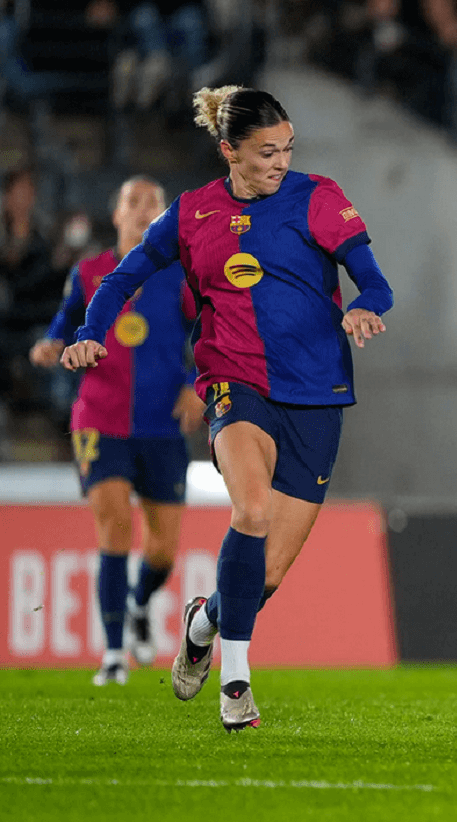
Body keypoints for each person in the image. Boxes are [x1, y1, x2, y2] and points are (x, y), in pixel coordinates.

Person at [61, 86, 394, 731]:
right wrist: (90, 332)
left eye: (288, 149)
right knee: (251, 508)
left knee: (262, 580)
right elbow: (124, 276)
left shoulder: (318, 198)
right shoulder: (191, 214)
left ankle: (206, 621)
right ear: (229, 152)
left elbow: (374, 280)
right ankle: (236, 683)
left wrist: (363, 307)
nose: (281, 162)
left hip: (317, 393)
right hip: (232, 378)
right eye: (267, 152)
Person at [30, 175, 205, 686]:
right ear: (116, 214)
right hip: (100, 419)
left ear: (164, 215)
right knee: (114, 527)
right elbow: (65, 323)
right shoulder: (89, 273)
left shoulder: (180, 274)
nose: (143, 209)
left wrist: (197, 382)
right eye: (133, 201)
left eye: (154, 203)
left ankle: (139, 602)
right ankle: (111, 656)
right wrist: (49, 344)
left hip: (163, 426)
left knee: (163, 550)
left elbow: (210, 331)